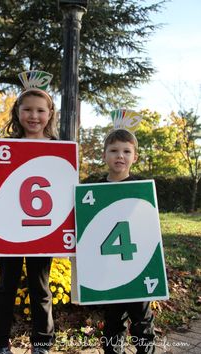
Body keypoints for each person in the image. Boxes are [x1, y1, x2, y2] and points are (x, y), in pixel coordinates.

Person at [0, 85, 58, 354]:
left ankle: (42, 344)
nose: (34, 116)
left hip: (42, 231)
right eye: (27, 109)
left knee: (41, 289)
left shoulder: (60, 149)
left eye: (40, 110)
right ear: (18, 112)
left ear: (50, 114)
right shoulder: (8, 147)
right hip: (11, 229)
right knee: (6, 288)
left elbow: (64, 193)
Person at [100, 129, 155, 354]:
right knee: (113, 323)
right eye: (113, 151)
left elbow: (148, 227)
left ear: (135, 157)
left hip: (137, 267)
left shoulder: (143, 187)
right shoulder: (92, 188)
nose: (119, 156)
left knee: (142, 321)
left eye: (126, 151)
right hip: (110, 269)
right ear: (104, 155)